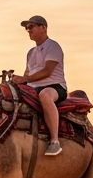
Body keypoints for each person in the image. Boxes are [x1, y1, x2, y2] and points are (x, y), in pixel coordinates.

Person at [12, 15, 66, 156]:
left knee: (45, 96)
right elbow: (27, 74)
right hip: (33, 88)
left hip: (54, 86)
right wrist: (17, 81)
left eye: (31, 26)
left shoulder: (53, 46)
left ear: (43, 27)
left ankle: (55, 141)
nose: (28, 30)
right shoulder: (31, 53)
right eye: (27, 28)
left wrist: (25, 79)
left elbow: (47, 71)